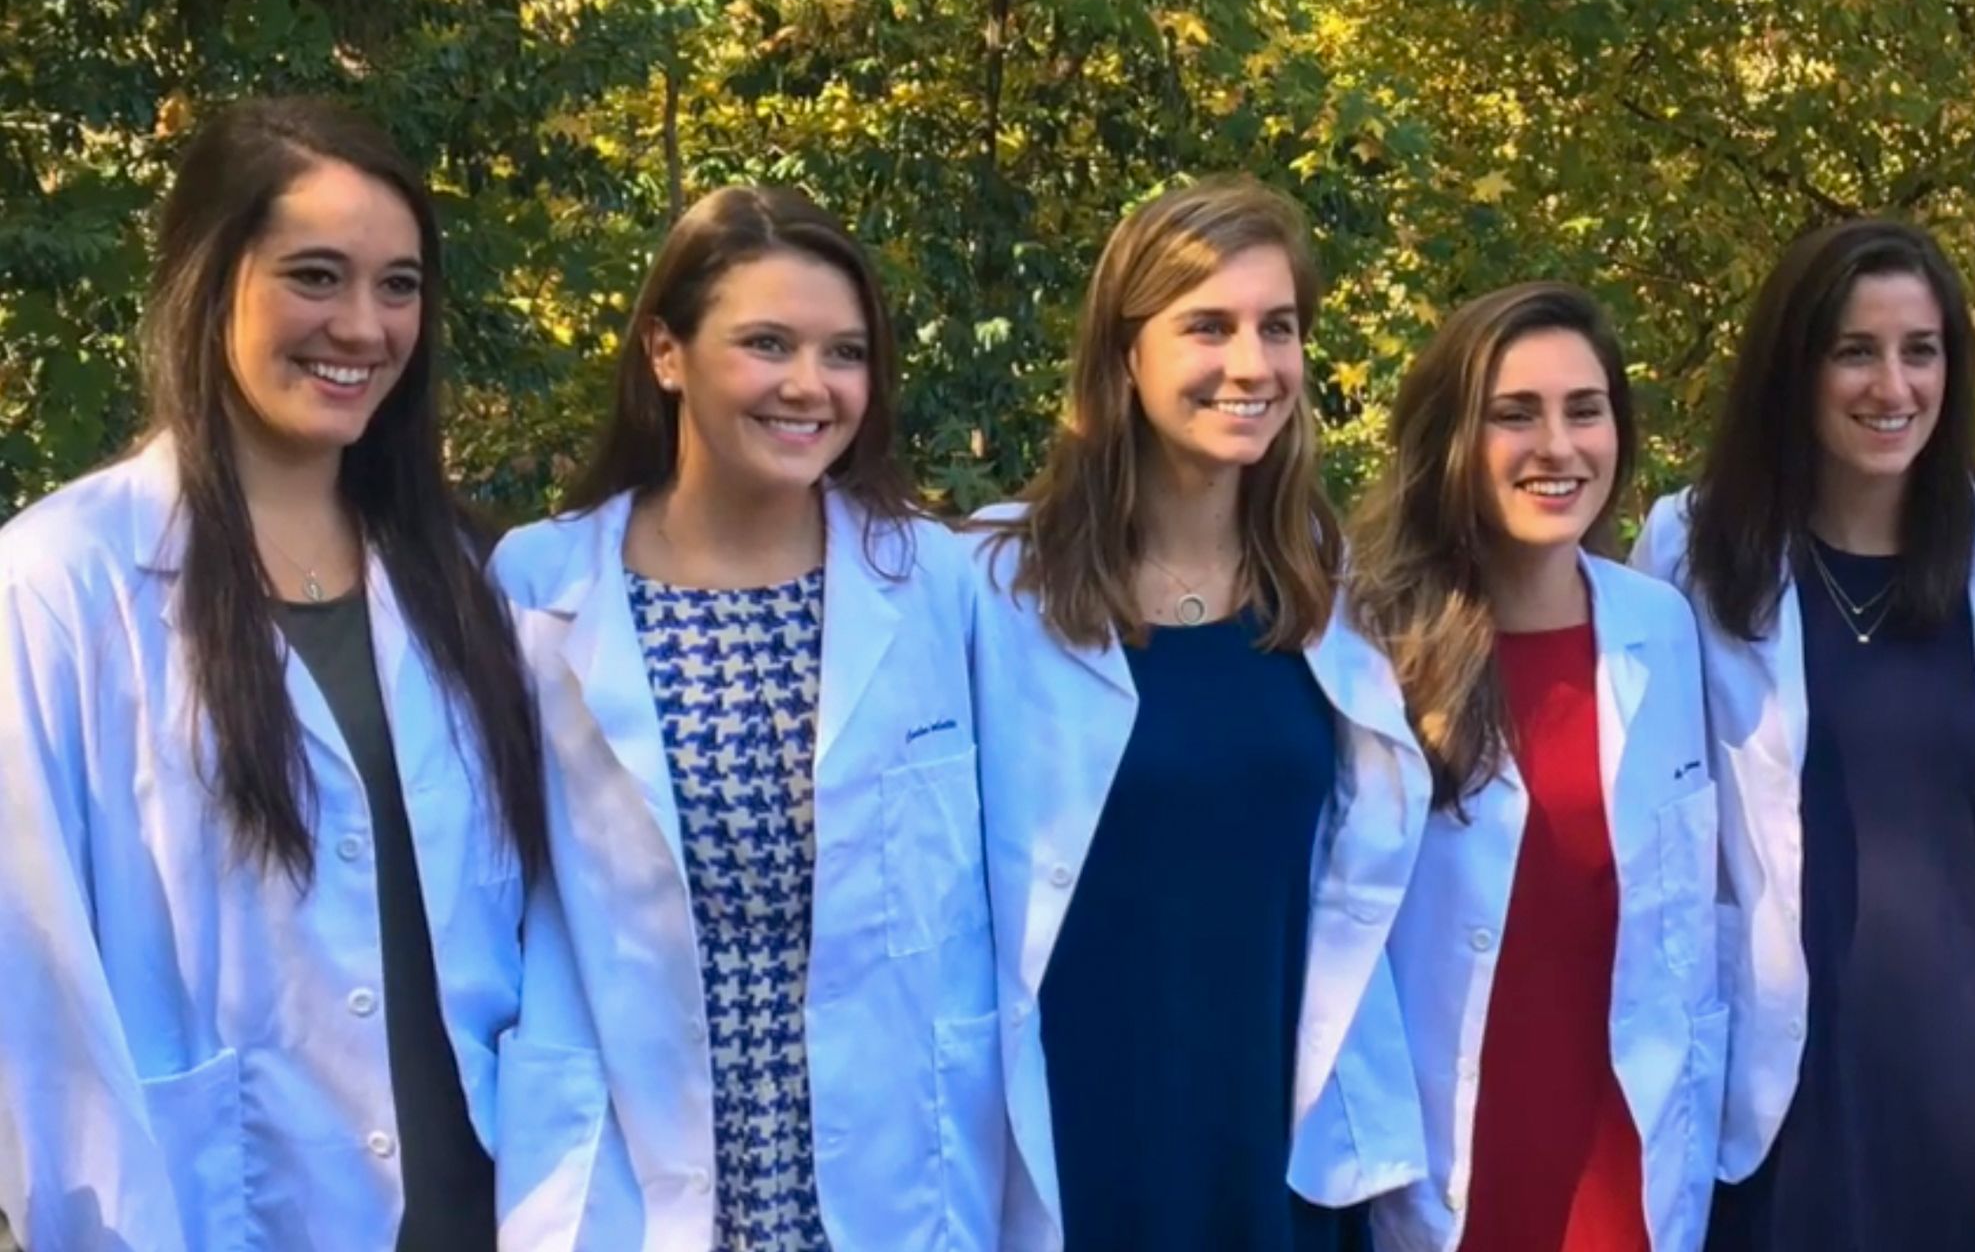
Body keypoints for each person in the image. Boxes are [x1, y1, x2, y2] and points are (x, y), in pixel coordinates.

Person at [0, 97, 546, 1251]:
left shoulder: (468, 578)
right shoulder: (59, 584)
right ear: (211, 283)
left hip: (490, 1211)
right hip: (212, 1213)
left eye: (398, 285)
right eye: (315, 276)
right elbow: (30, 996)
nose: (362, 324)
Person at [487, 187, 1000, 1250]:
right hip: (634, 1158)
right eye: (767, 344)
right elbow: (484, 899)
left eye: (844, 353)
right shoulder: (539, 583)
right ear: (665, 352)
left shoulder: (936, 582)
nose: (810, 386)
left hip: (888, 1162)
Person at [967, 175, 1429, 1252]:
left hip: (1278, 1145)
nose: (1251, 365)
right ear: (1123, 353)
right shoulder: (995, 585)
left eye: (1278, 328)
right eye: (1207, 327)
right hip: (1077, 1148)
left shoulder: (1328, 586)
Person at [1631, 218, 1975, 1251]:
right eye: (1854, 352)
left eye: (1920, 351)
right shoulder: (1691, 551)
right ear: (1795, 366)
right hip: (1777, 1070)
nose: (1893, 386)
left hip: (1972, 1074)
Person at [1350, 283, 1723, 1252]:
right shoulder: (1365, 648)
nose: (1556, 446)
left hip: (1622, 1185)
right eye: (1513, 415)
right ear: (1451, 443)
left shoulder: (1659, 630)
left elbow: (1690, 931)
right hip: (1442, 1185)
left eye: (1583, 411)